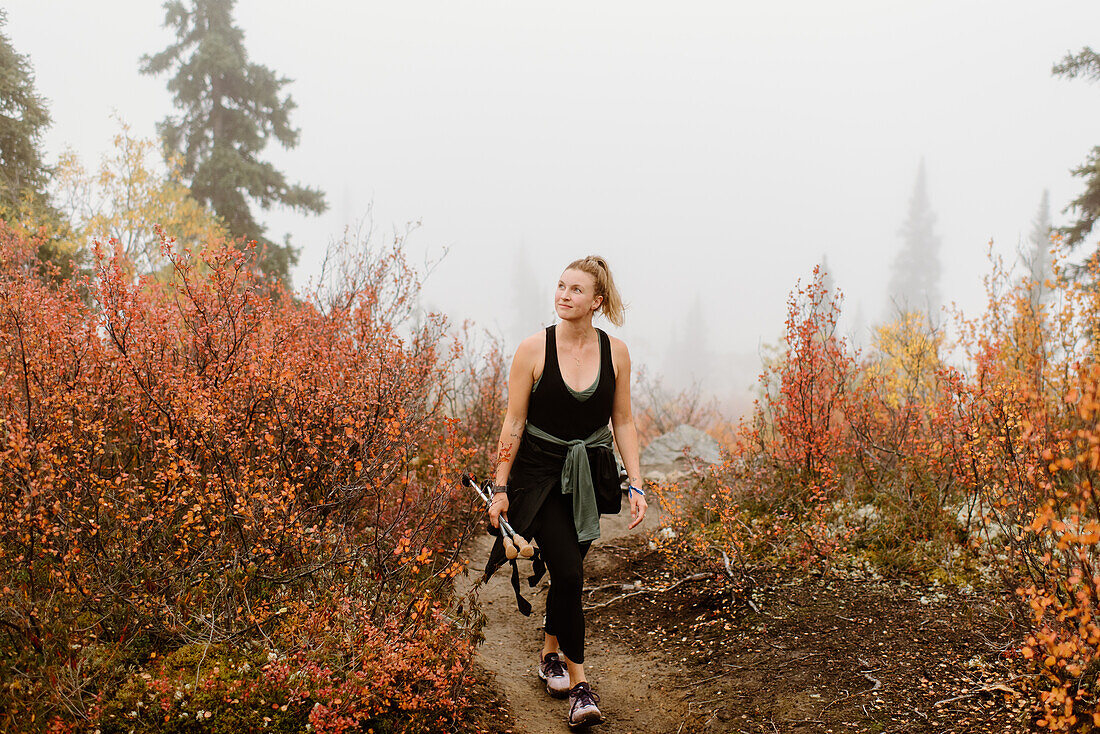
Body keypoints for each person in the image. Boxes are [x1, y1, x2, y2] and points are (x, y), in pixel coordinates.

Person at [484, 255, 647, 730]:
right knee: (572, 575)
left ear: (596, 301)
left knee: (567, 572)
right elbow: (514, 421)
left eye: (576, 290)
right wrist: (499, 488)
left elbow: (624, 421)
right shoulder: (533, 349)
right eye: (560, 285)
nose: (563, 295)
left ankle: (548, 655)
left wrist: (636, 482)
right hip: (539, 475)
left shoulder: (616, 352)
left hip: (591, 476)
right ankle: (580, 687)